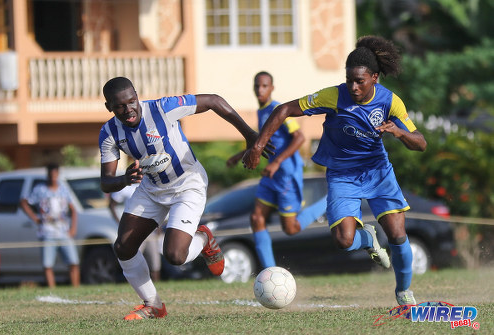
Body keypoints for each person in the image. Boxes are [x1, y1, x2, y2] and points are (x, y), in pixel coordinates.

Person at [242, 36, 427, 306]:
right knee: (343, 240)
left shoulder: (390, 102)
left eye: (359, 81)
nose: (352, 86)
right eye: (349, 79)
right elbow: (283, 110)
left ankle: (404, 292)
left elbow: (420, 143)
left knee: (398, 236)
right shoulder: (334, 96)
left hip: (378, 172)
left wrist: (398, 131)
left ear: (374, 78)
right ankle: (368, 239)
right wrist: (258, 146)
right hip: (342, 175)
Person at [99, 76, 272, 320]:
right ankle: (153, 305)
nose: (129, 109)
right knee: (123, 247)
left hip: (188, 184)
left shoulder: (162, 108)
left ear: (137, 96)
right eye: (120, 106)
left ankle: (203, 238)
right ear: (109, 107)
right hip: (152, 189)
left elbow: (213, 100)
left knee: (175, 256)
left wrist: (250, 135)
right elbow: (106, 182)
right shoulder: (108, 132)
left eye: (132, 101)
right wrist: (124, 180)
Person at [227, 71, 326, 268]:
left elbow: (299, 138)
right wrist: (240, 156)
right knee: (256, 218)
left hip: (286, 174)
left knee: (290, 228)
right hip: (272, 175)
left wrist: (277, 162)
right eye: (257, 86)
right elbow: (262, 142)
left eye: (264, 86)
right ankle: (269, 271)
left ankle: (328, 203)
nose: (260, 90)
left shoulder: (278, 109)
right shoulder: (261, 111)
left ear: (272, 88)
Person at [20, 163, 80, 288]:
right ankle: (52, 289)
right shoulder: (40, 189)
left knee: (73, 261)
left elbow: (73, 209)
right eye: (50, 174)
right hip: (47, 231)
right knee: (48, 264)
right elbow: (24, 202)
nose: (53, 177)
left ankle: (76, 288)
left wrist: (73, 228)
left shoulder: (63, 188)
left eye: (55, 174)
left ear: (58, 174)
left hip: (63, 230)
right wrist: (35, 218)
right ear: (47, 175)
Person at [108, 183, 161, 281]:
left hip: (150, 229)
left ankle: (156, 289)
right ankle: (134, 287)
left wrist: (159, 224)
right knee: (132, 261)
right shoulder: (126, 187)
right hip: (134, 230)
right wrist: (120, 223)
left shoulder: (150, 182)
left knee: (155, 263)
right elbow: (111, 204)